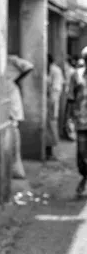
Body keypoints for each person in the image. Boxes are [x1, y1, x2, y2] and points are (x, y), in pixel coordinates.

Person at [7, 55, 34, 179]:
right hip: (8, 98)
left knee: (13, 132)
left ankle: (16, 168)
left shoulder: (11, 59)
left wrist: (17, 79)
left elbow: (29, 66)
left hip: (11, 103)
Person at [67, 46, 87, 196]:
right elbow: (71, 97)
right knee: (81, 153)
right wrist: (67, 118)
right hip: (81, 120)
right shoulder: (77, 75)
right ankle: (84, 175)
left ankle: (84, 181)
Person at [46, 54, 64, 160]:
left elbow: (56, 89)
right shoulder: (47, 70)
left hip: (51, 104)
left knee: (51, 127)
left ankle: (50, 151)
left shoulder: (55, 71)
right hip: (46, 104)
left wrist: (50, 103)